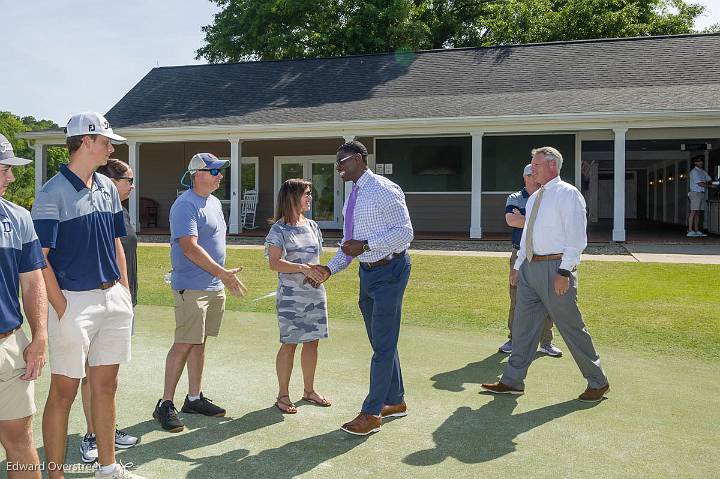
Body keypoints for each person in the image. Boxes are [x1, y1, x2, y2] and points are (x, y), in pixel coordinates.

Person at [31, 112, 143, 479]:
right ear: (87, 141)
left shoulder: (108, 187)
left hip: (112, 299)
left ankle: (108, 467)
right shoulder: (51, 193)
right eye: (106, 141)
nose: (111, 147)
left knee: (106, 385)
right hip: (73, 302)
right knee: (63, 391)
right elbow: (39, 260)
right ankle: (56, 475)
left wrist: (123, 291)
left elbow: (116, 242)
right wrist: (62, 307)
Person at [481, 147, 610, 402]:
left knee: (572, 327)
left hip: (555, 269)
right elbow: (529, 236)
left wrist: (565, 271)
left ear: (552, 166)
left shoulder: (568, 194)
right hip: (530, 268)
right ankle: (512, 381)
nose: (532, 169)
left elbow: (576, 238)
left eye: (536, 164)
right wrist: (518, 266)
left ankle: (598, 381)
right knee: (523, 327)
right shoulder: (534, 197)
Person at [312, 140, 413, 436]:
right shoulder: (353, 195)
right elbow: (349, 247)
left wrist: (367, 245)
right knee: (382, 342)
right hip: (367, 273)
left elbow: (405, 234)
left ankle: (371, 414)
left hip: (391, 271)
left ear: (358, 159)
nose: (338, 167)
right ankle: (394, 400)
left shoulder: (383, 189)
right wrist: (329, 269)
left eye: (342, 161)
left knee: (382, 345)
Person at [153, 153, 247, 433]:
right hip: (192, 287)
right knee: (184, 342)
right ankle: (165, 404)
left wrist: (220, 276)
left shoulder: (214, 202)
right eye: (215, 170)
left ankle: (194, 398)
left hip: (213, 285)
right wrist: (223, 274)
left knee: (199, 341)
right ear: (197, 173)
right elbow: (189, 247)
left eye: (220, 171)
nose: (220, 175)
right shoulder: (185, 205)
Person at [74, 160, 139, 463]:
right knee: (92, 374)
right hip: (95, 301)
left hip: (120, 302)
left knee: (109, 375)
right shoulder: (89, 209)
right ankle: (91, 436)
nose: (132, 184)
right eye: (128, 179)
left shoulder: (119, 212)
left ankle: (106, 430)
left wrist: (125, 296)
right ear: (111, 180)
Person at [0, 134, 48, 479]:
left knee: (20, 438)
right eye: (3, 170)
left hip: (8, 345)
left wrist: (40, 336)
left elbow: (33, 283)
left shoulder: (18, 218)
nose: (11, 178)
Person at [264, 179, 331, 414]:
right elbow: (274, 263)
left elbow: (316, 258)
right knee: (290, 343)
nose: (310, 197)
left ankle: (309, 391)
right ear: (292, 197)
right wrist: (302, 268)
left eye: (310, 193)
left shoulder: (312, 225)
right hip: (291, 297)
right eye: (306, 194)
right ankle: (283, 395)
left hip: (315, 293)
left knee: (313, 342)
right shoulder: (278, 229)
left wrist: (320, 272)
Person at [500, 164, 562, 357]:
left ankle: (546, 342)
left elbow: (553, 221)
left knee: (546, 299)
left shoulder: (548, 196)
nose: (537, 177)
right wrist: (538, 219)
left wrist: (525, 217)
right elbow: (512, 220)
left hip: (545, 256)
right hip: (520, 255)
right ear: (526, 177)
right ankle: (513, 339)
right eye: (533, 174)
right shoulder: (515, 198)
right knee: (517, 299)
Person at [687, 155, 712, 237]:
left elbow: (709, 179)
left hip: (701, 193)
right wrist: (711, 186)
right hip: (695, 193)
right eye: (698, 161)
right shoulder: (694, 171)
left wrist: (712, 183)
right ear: (695, 163)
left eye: (701, 161)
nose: (700, 162)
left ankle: (696, 230)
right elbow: (700, 183)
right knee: (693, 211)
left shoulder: (702, 171)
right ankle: (690, 230)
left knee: (698, 212)